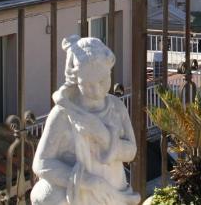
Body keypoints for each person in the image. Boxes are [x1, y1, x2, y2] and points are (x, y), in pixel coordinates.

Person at [30, 36, 140, 205]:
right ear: (75, 80)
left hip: (114, 191)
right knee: (43, 194)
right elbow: (41, 163)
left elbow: (131, 151)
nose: (96, 90)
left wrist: (102, 135)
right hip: (79, 192)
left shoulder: (116, 107)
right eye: (87, 84)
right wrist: (88, 182)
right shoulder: (63, 113)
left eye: (103, 81)